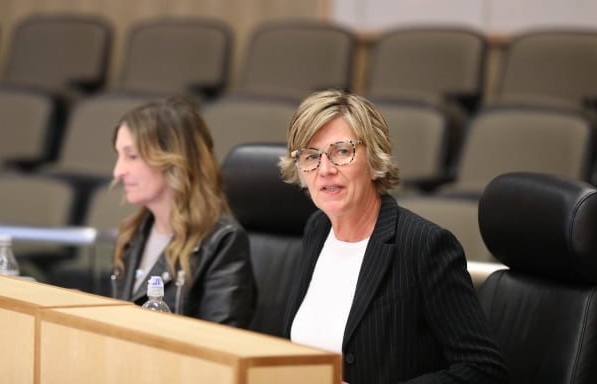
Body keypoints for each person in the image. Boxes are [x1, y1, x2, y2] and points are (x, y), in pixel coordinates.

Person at [279, 90, 507, 383]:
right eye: (311, 156)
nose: (325, 169)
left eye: (342, 152)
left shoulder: (424, 246)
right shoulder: (317, 228)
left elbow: (484, 370)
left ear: (374, 159)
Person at [110, 96, 257, 328]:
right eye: (119, 155)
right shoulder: (132, 234)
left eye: (132, 156)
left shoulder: (222, 240)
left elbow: (222, 344)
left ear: (174, 161)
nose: (118, 171)